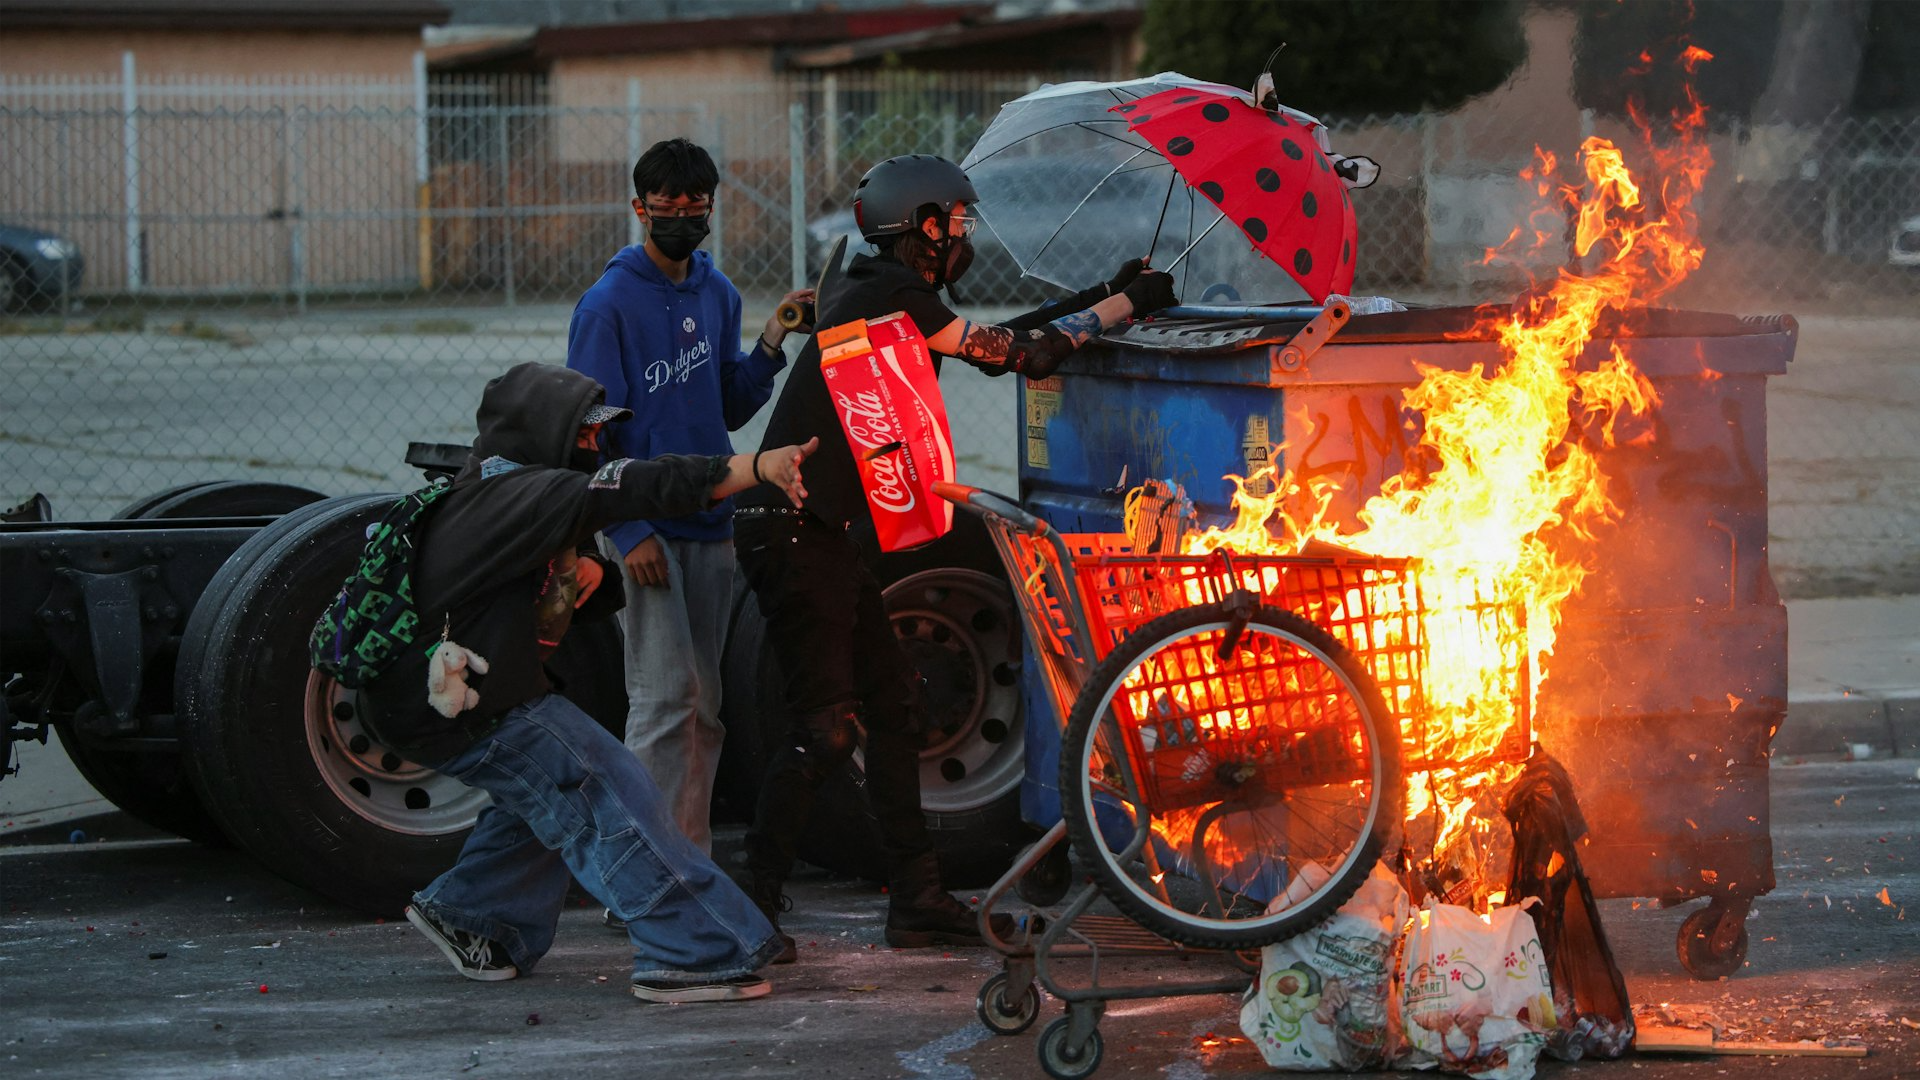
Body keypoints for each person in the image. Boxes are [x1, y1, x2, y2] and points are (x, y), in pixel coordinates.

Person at [734, 154, 1179, 963]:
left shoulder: (873, 282)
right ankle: (744, 906)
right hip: (793, 526)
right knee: (827, 729)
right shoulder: (883, 293)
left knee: (895, 709)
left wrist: (1104, 294)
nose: (963, 236)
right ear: (921, 227)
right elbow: (1020, 355)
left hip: (817, 530)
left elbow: (1006, 337)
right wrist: (1126, 304)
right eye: (955, 222)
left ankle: (917, 900)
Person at [360, 360, 819, 1003]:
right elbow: (641, 485)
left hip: (433, 698)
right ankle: (688, 953)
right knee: (606, 783)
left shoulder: (485, 488)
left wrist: (583, 582)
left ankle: (473, 914)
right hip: (465, 705)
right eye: (583, 434)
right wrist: (757, 466)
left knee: (545, 793)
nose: (595, 446)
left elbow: (521, 600)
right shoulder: (525, 492)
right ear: (539, 432)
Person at [566, 137, 811, 857]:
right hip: (647, 526)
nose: (681, 216)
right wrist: (631, 527)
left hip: (712, 519)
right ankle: (640, 870)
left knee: (704, 704)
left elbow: (724, 407)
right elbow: (589, 435)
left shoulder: (718, 292)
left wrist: (771, 340)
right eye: (666, 205)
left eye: (695, 205)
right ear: (639, 208)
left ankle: (687, 863)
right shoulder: (607, 305)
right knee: (664, 699)